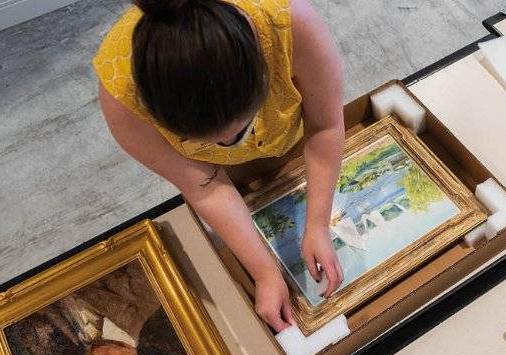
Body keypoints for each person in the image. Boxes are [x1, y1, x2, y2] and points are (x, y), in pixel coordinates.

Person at [94, 0, 345, 332]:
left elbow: (325, 127)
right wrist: (265, 272)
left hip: (292, 147)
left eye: (240, 129)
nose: (226, 146)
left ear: (265, 72)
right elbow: (204, 184)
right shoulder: (121, 96)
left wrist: (317, 225)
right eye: (204, 142)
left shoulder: (291, 23)